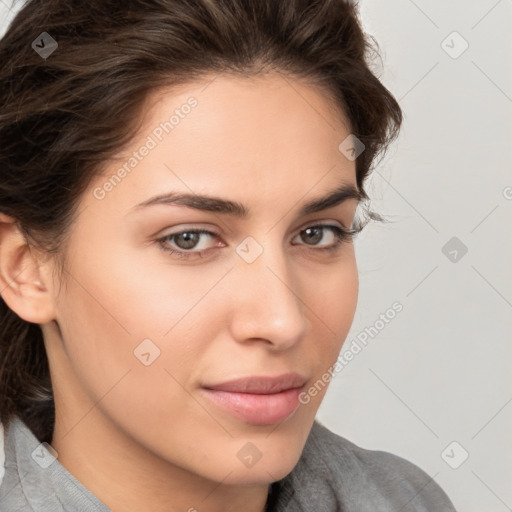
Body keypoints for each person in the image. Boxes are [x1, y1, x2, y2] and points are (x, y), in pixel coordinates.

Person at [0, 0, 458, 510]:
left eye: (317, 233)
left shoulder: (405, 499)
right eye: (189, 238)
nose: (282, 321)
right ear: (25, 269)